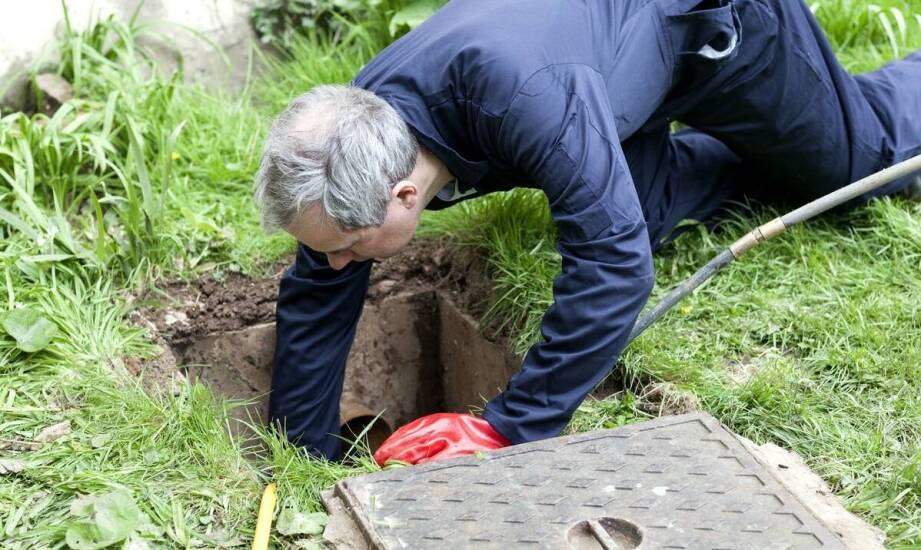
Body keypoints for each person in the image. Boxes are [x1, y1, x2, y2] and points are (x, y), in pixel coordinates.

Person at [254, 0, 921, 463]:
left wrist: (508, 428)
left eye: (347, 248)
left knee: (856, 164)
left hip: (716, 34)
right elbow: (319, 289)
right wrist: (304, 451)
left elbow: (614, 268)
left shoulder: (521, 98)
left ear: (405, 196)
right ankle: (769, 157)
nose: (335, 263)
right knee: (644, 213)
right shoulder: (360, 130)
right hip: (609, 65)